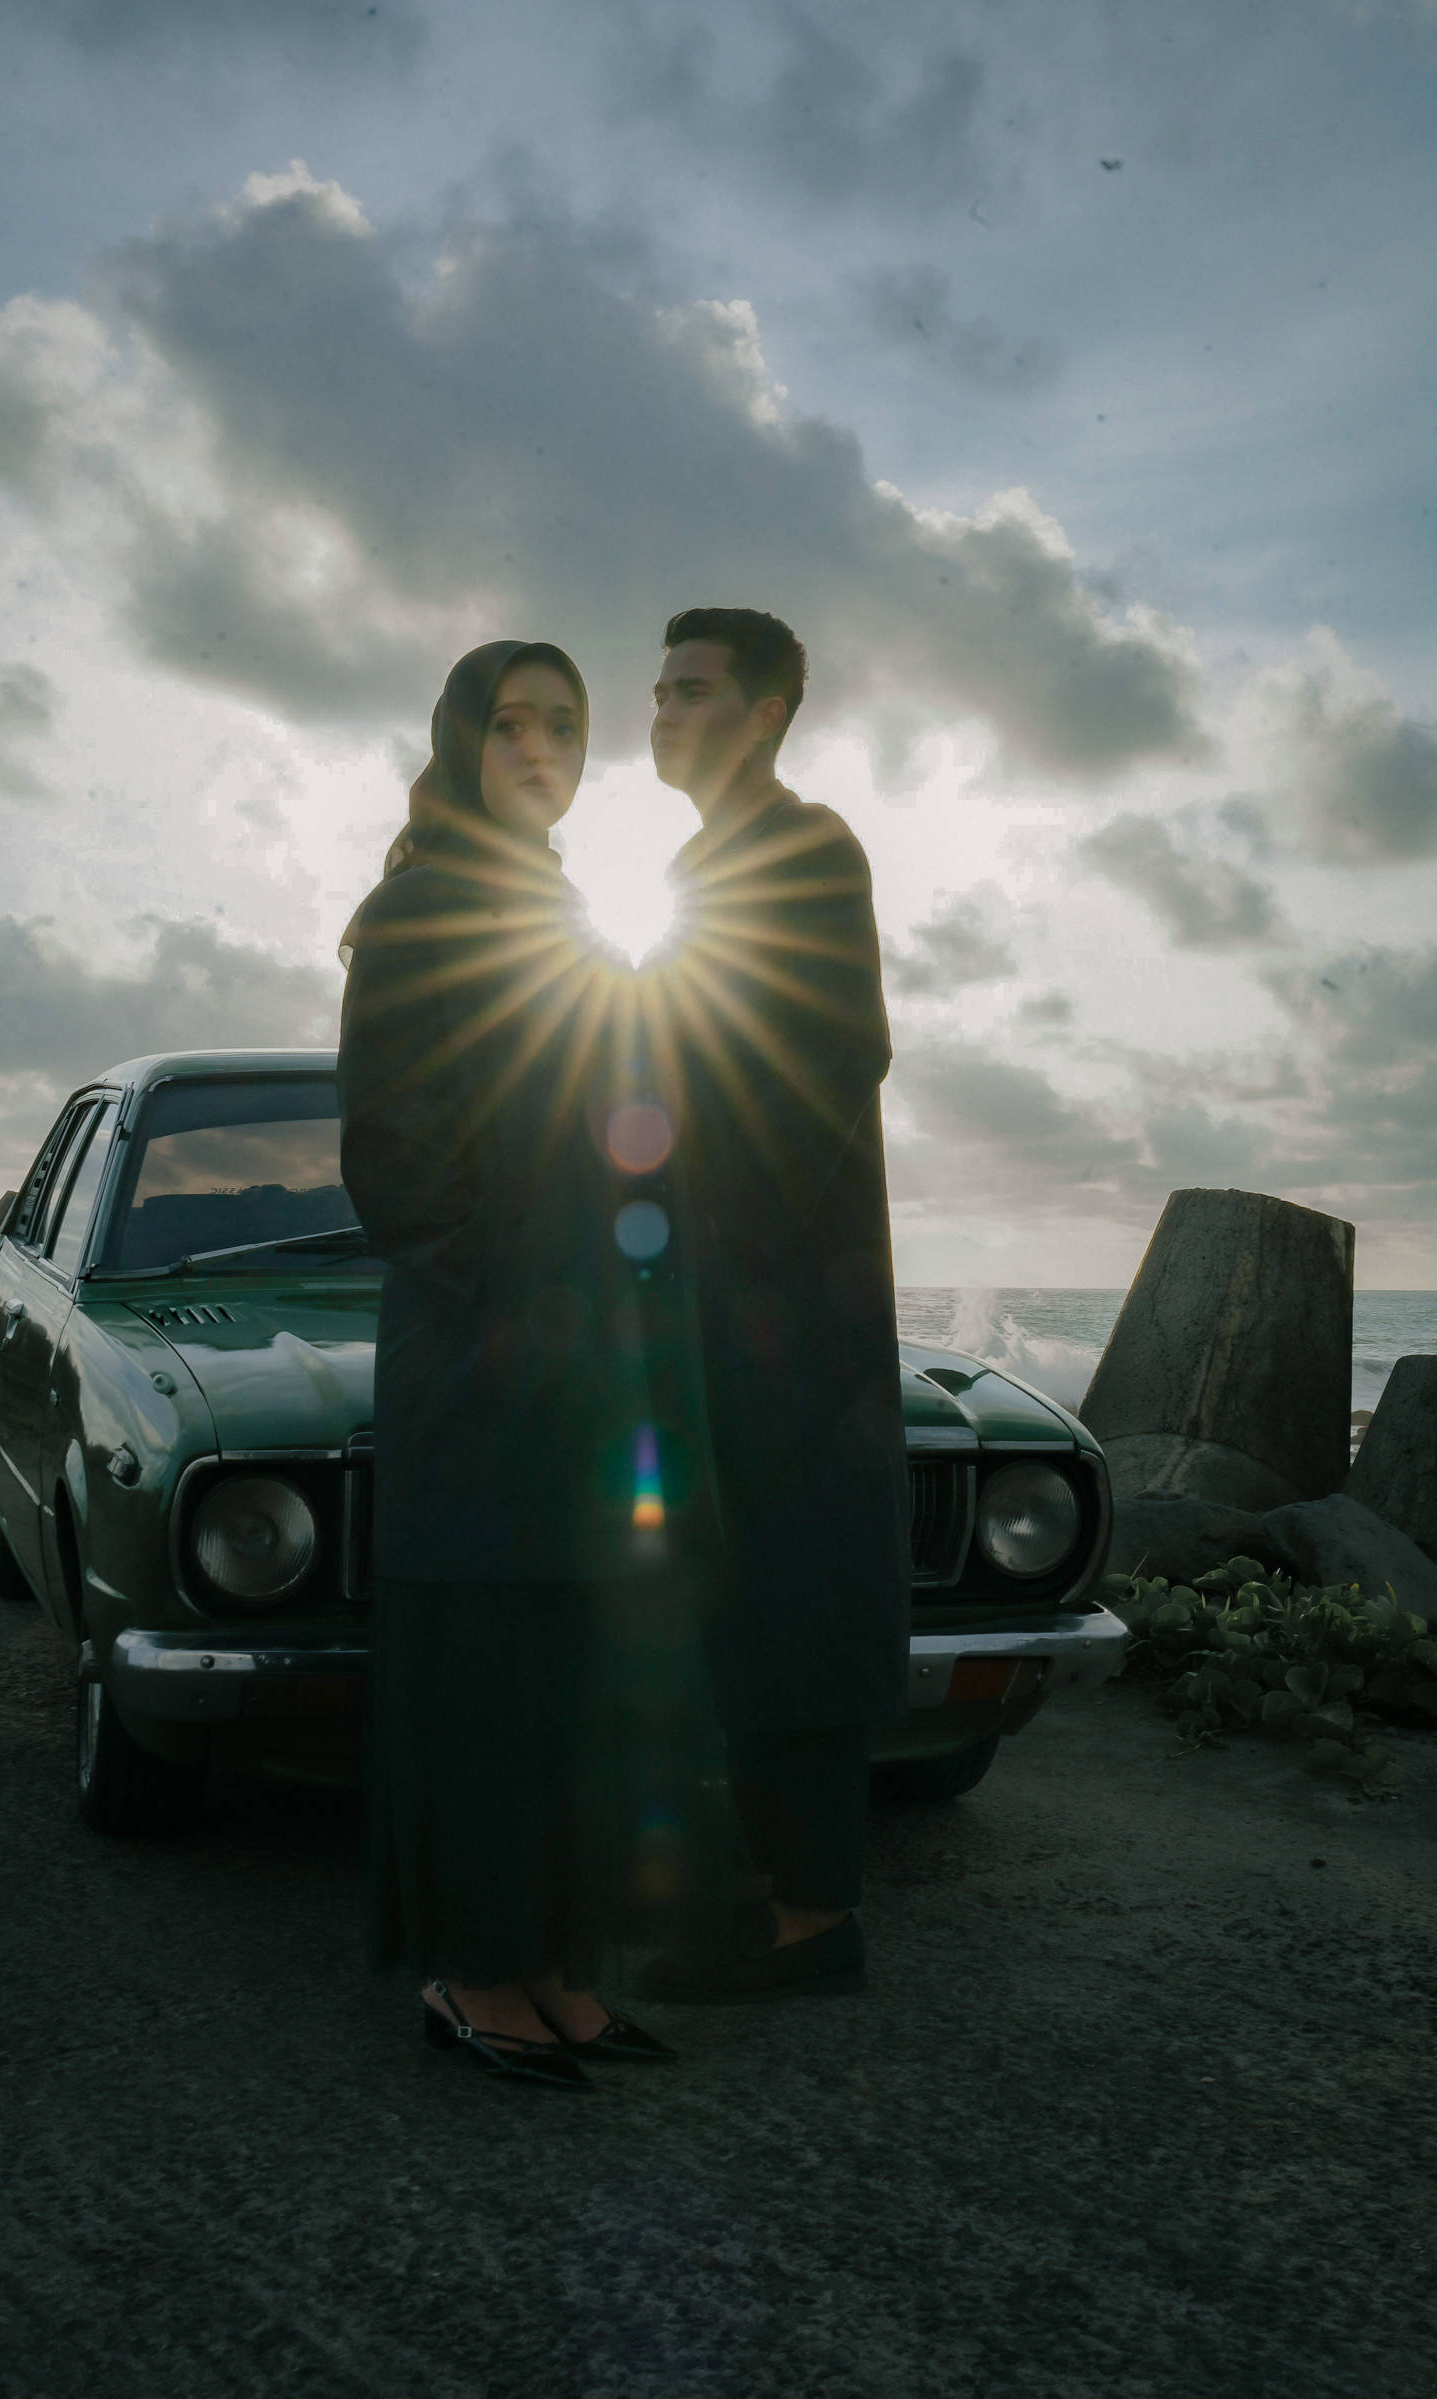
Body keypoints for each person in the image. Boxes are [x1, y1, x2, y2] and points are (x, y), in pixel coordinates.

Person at [337, 639, 724, 2088]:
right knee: (483, 1676)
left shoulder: (570, 911)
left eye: (564, 724)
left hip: (588, 1364)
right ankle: (472, 1972)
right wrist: (507, 1307)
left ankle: (558, 1965)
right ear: (463, 743)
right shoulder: (415, 909)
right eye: (512, 725)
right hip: (479, 1361)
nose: (542, 748)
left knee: (575, 1670)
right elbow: (393, 1158)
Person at [636, 606, 910, 2004]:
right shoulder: (700, 865)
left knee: (795, 1582)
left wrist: (715, 1250)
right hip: (721, 1299)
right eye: (660, 691)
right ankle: (765, 1886)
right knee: (737, 1592)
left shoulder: (807, 849)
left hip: (786, 1306)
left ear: (765, 715)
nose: (664, 713)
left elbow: (830, 1061)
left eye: (693, 691)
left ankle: (811, 1919)